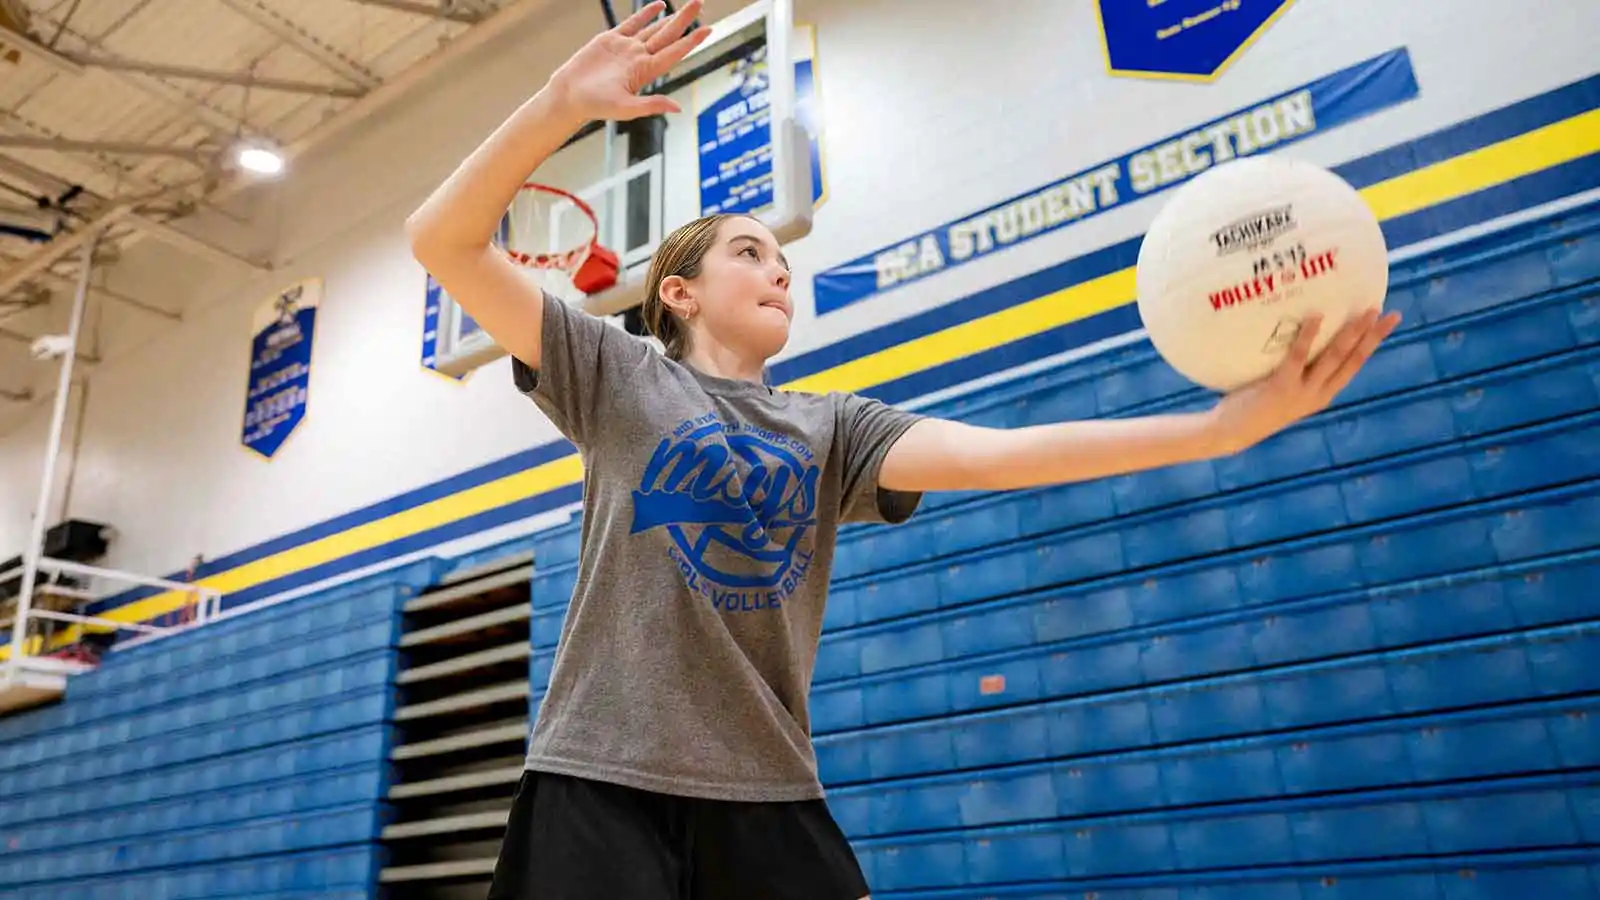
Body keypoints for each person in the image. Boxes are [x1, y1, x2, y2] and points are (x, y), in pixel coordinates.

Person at [405, 2, 1402, 896]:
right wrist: (555, 102)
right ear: (679, 292)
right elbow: (443, 238)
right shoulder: (618, 376)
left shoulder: (833, 429)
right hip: (598, 779)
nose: (777, 272)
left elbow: (1005, 454)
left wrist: (1218, 431)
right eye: (749, 252)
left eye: (786, 261)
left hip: (766, 785)